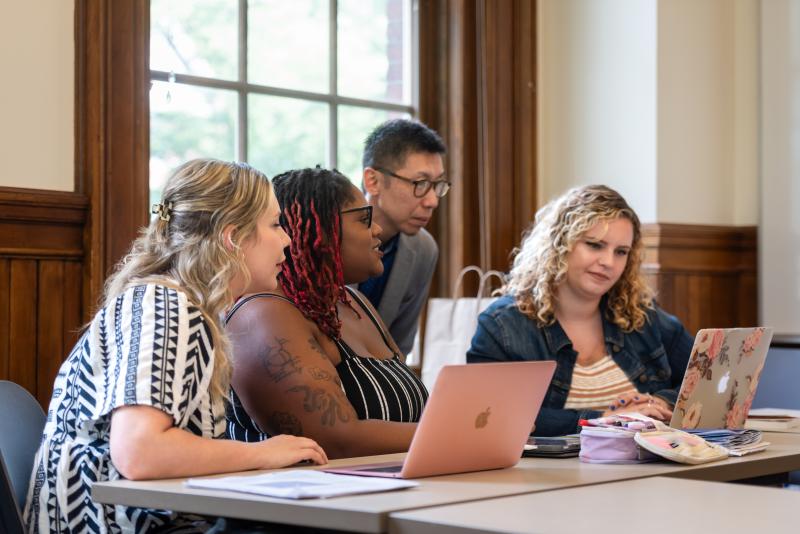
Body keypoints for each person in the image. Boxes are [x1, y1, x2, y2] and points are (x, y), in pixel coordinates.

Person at [24, 159, 327, 533]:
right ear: (232, 237)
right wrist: (263, 453)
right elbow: (139, 452)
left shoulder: (175, 303)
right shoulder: (167, 307)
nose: (287, 239)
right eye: (275, 224)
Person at [226, 167, 428, 459]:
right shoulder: (264, 314)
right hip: (304, 500)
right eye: (363, 219)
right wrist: (460, 431)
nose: (377, 230)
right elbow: (334, 440)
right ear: (318, 229)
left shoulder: (354, 303)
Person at [467, 185, 693, 437]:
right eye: (595, 245)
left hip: (650, 464)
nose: (608, 262)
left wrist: (661, 403)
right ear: (560, 245)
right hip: (549, 474)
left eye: (621, 252)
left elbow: (700, 382)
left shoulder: (643, 316)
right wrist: (602, 419)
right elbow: (490, 413)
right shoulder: (502, 325)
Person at [359, 119, 448, 356]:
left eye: (438, 185)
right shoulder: (324, 238)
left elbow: (399, 350)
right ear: (373, 181)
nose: (432, 201)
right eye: (420, 183)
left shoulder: (424, 249)